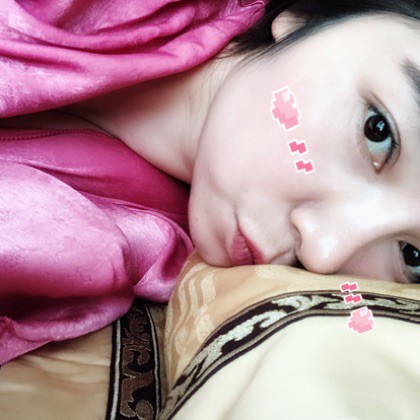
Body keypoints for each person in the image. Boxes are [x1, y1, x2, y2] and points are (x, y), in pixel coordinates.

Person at [0, 0, 419, 363]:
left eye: (413, 256)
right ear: (306, 16)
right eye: (378, 130)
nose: (324, 252)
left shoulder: (112, 255)